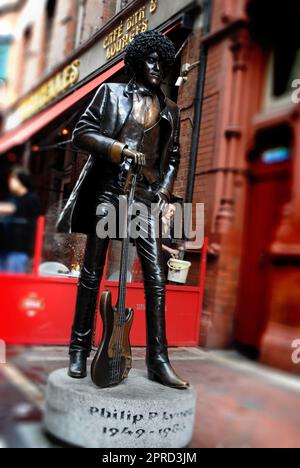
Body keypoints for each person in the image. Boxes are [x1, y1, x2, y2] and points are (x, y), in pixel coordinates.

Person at [57, 31, 190, 389]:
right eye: (150, 61)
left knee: (156, 278)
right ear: (135, 61)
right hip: (110, 194)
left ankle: (158, 360)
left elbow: (173, 157)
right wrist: (118, 149)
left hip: (144, 199)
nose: (157, 68)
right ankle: (79, 350)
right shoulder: (111, 94)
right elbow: (81, 133)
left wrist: (164, 189)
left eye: (162, 63)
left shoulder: (171, 110)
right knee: (92, 273)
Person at [0, 167, 40, 273]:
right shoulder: (11, 198)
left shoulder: (31, 198)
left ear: (21, 179)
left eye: (13, 178)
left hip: (18, 249)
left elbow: (11, 208)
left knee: (12, 281)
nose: (10, 182)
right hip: (4, 247)